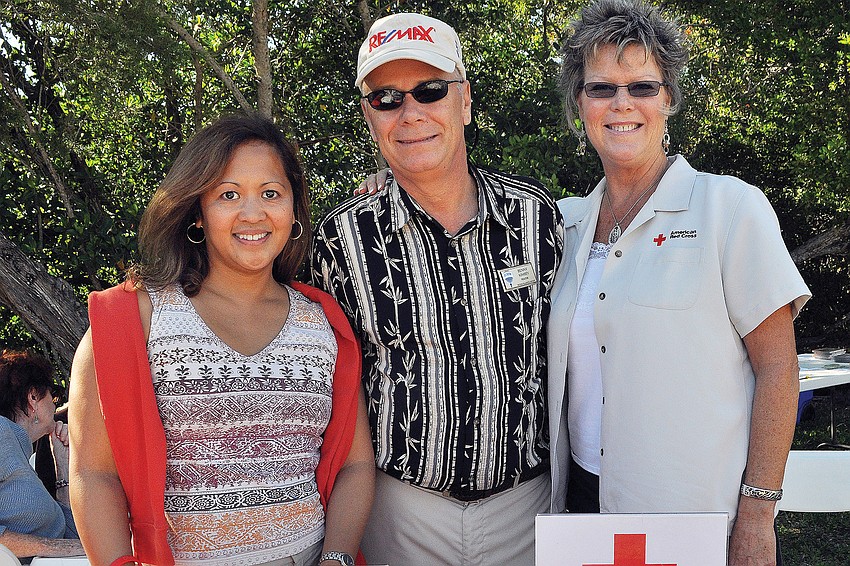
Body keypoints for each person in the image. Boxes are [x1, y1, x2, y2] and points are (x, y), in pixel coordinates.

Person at [547, 1, 810, 564]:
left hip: (696, 519)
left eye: (642, 86)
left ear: (667, 99)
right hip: (579, 510)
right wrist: (395, 187)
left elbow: (778, 369)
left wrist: (758, 516)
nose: (622, 104)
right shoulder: (561, 225)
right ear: (580, 104)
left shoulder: (730, 208)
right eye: (601, 88)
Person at [311, 12, 563, 566]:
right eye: (387, 99)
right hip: (400, 513)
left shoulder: (538, 219)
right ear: (369, 117)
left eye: (430, 91)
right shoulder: (340, 238)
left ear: (465, 102)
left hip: (529, 509)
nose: (411, 114)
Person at [68, 113, 374, 566]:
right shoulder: (132, 321)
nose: (253, 213)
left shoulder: (324, 324)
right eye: (228, 195)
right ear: (197, 212)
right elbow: (94, 475)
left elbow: (354, 465)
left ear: (293, 211)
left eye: (271, 193)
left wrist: (337, 559)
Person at [0, 349, 84, 559]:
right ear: (34, 397)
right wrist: (51, 547)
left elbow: (69, 537)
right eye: (53, 395)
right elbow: (65, 547)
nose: (55, 405)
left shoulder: (21, 454)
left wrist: (63, 466)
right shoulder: (2, 433)